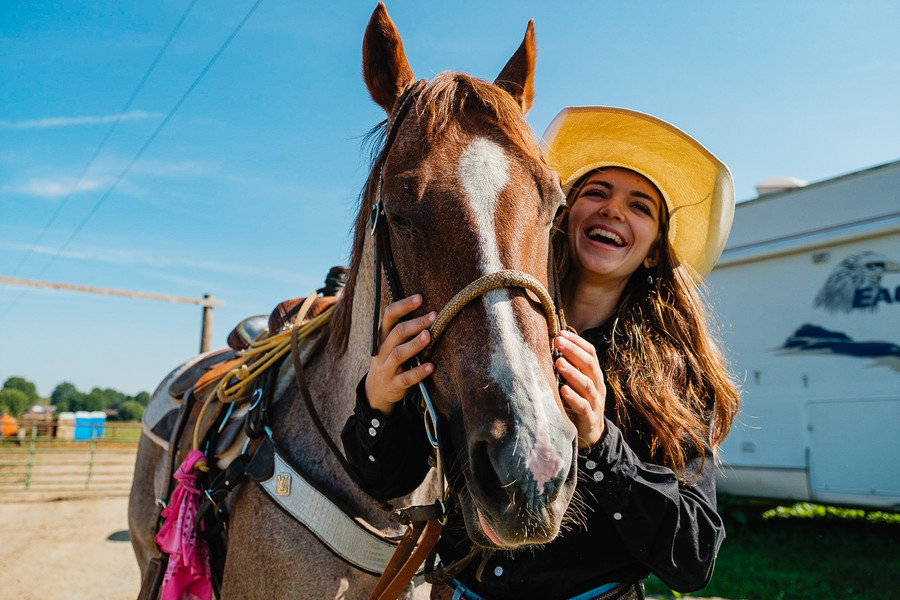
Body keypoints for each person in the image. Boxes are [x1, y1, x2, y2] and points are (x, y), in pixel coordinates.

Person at [342, 106, 740, 600]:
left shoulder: (674, 377)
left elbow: (695, 558)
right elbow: (388, 481)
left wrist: (601, 444)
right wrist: (378, 402)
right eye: (596, 192)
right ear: (561, 216)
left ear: (655, 250)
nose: (614, 210)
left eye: (640, 206)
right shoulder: (482, 336)